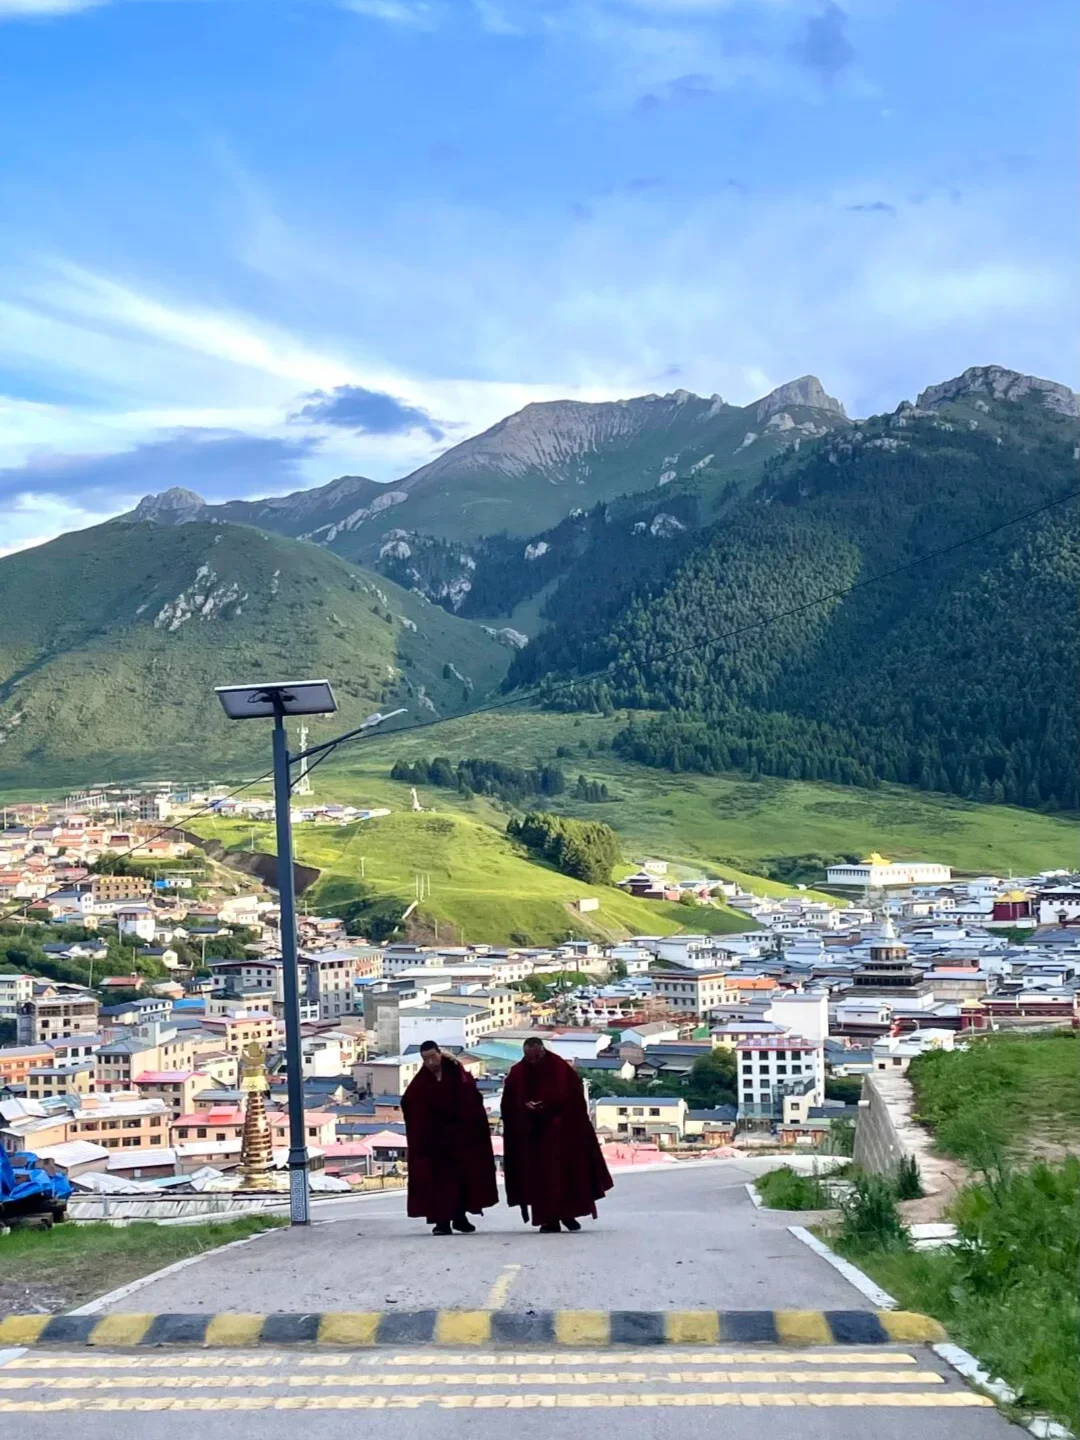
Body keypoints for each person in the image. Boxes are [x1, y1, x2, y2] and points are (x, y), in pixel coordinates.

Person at [501, 1036, 613, 1233]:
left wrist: (548, 1107)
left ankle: (567, 1215)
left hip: (562, 1133)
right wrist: (525, 1107)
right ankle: (548, 1220)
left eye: (536, 1057)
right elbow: (509, 1103)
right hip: (533, 1136)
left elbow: (574, 1099)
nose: (533, 1061)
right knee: (540, 1181)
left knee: (566, 1177)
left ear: (542, 1051)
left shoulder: (559, 1067)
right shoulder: (518, 1072)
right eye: (529, 1057)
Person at [401, 1041, 498, 1236]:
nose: (430, 1062)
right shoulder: (422, 1079)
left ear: (440, 1054)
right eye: (425, 1059)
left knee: (461, 1179)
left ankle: (460, 1218)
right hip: (434, 1140)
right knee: (439, 1182)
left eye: (432, 1057)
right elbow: (409, 1101)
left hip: (459, 1138)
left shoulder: (456, 1073)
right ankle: (442, 1222)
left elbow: (471, 1099)